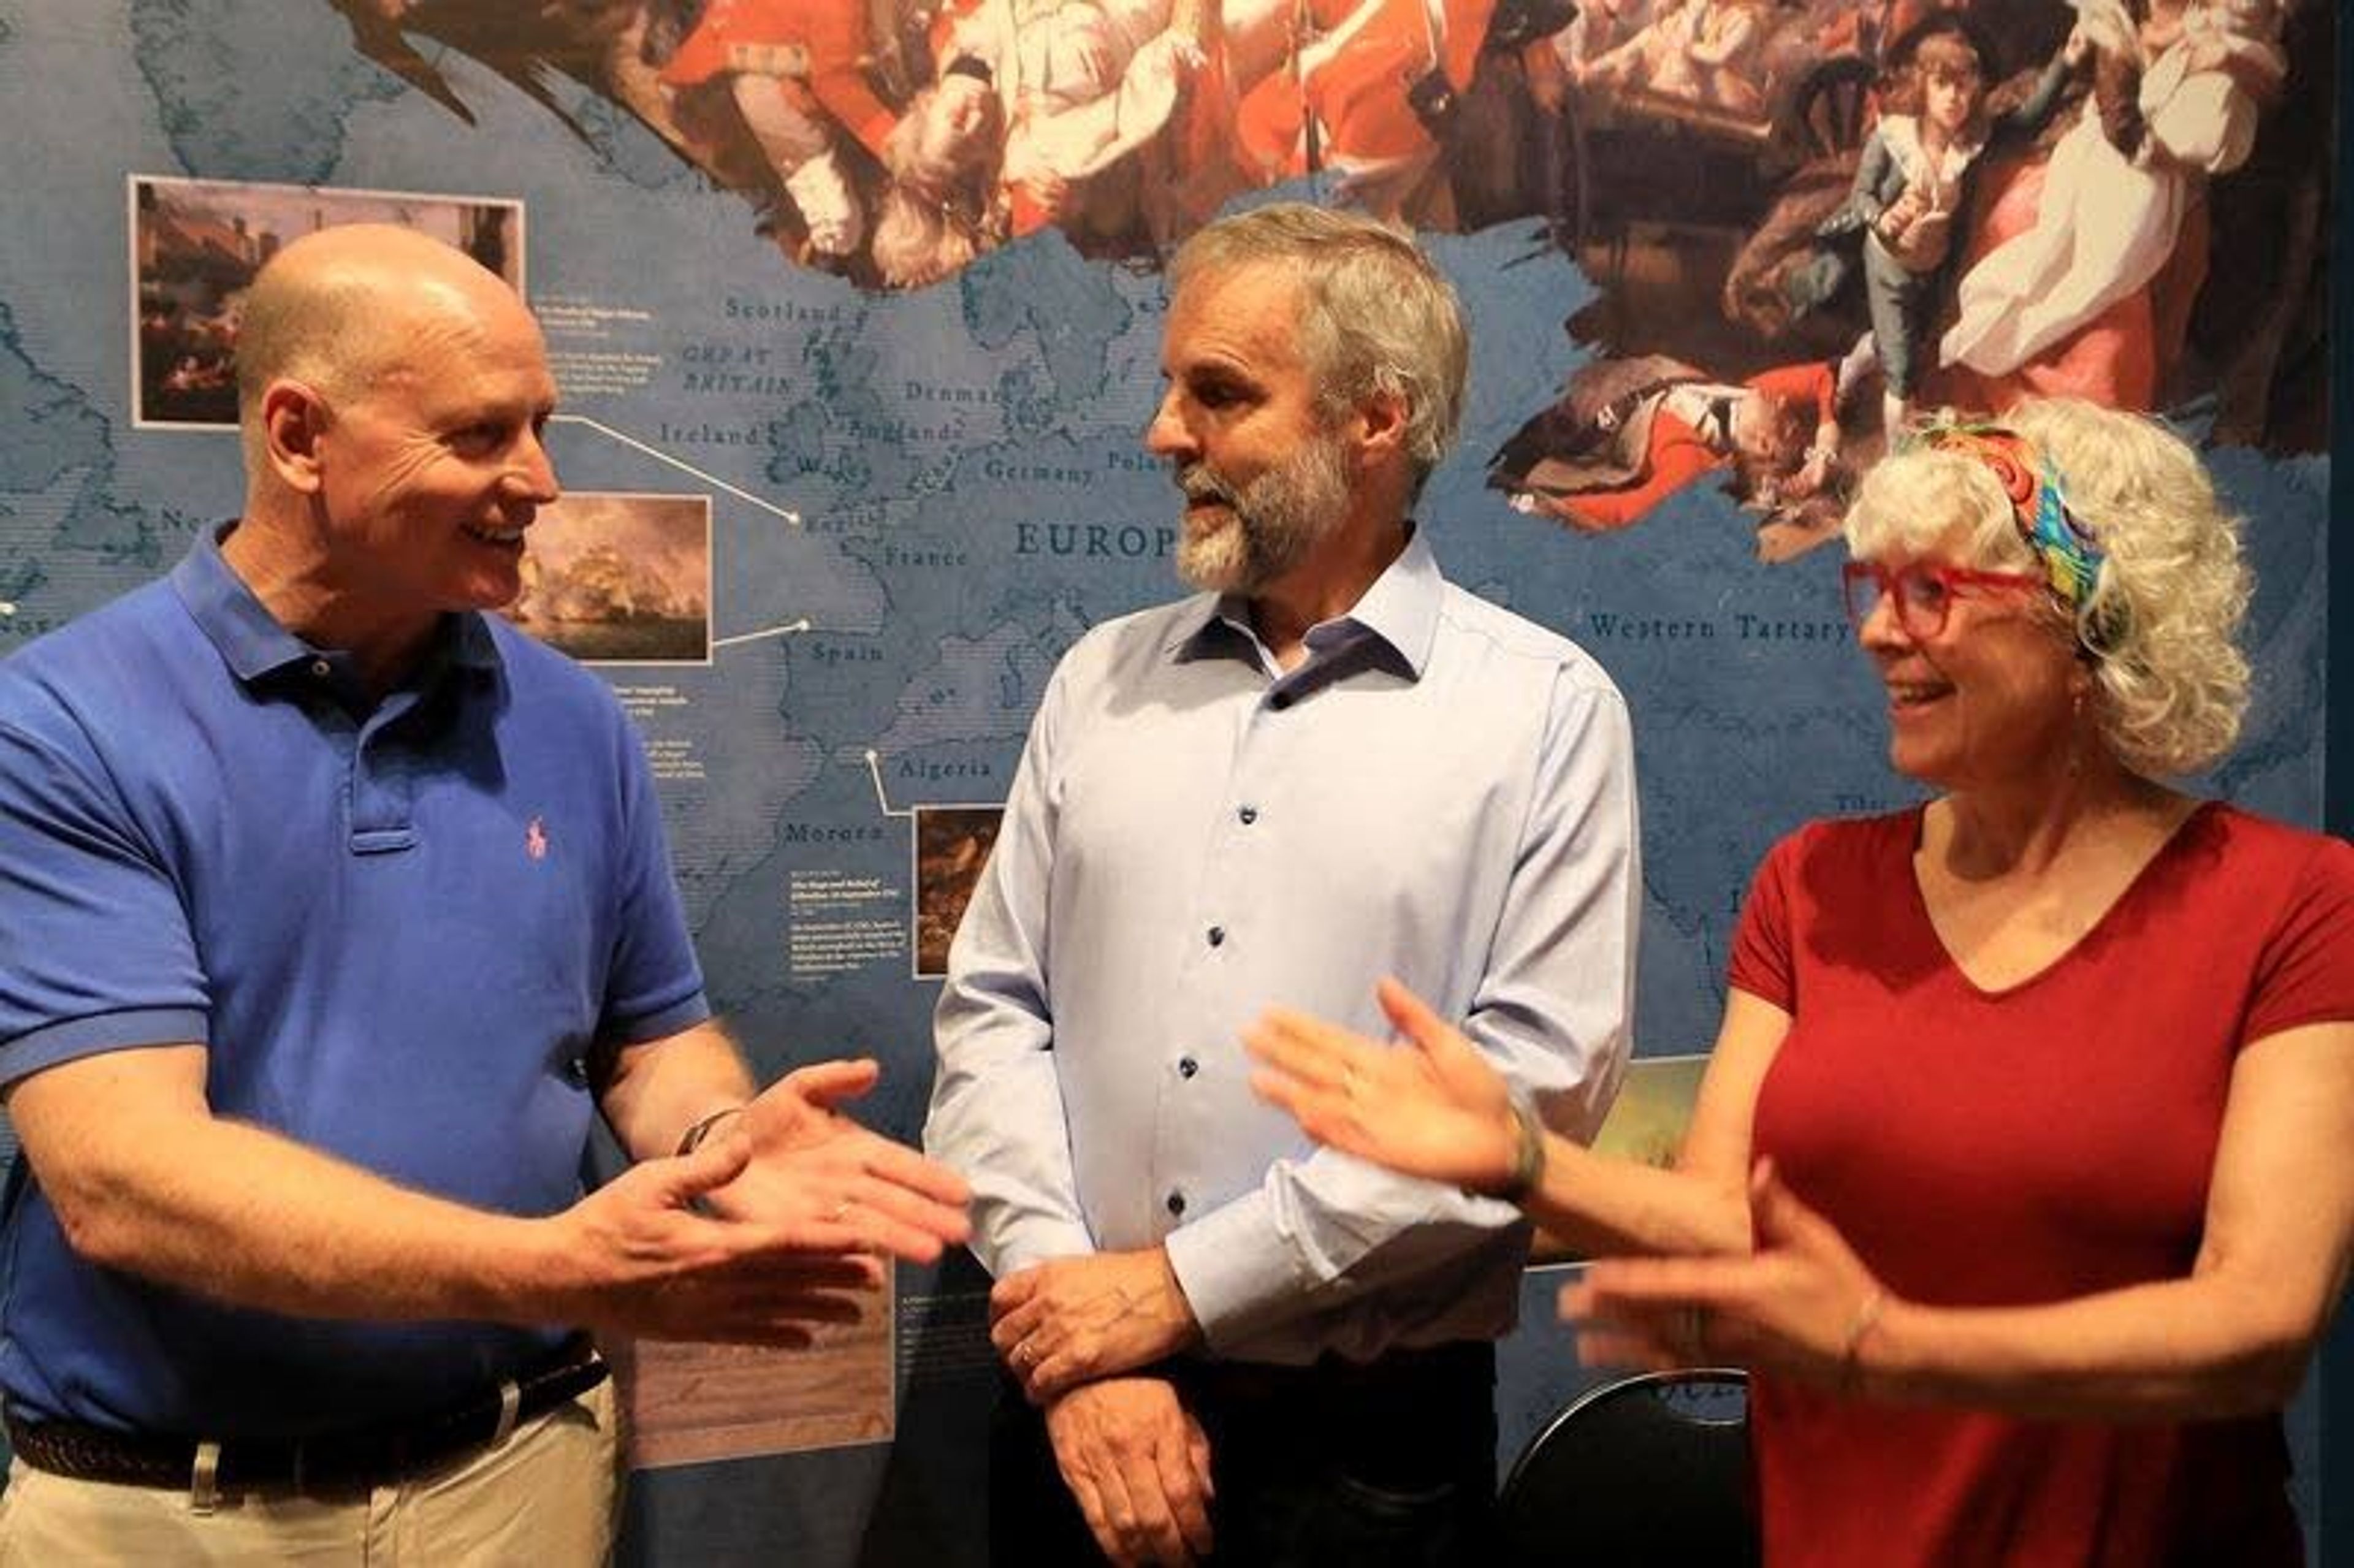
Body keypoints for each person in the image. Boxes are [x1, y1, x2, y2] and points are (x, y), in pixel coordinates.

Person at [0, 225, 970, 1562]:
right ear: (299, 438)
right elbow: (124, 1176)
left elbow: (649, 1037)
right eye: (477, 437)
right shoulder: (64, 728)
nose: (540, 480)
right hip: (174, 1514)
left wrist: (718, 1139)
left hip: (520, 1488)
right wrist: (554, 1267)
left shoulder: (572, 722)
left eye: (541, 426)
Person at [1248, 397, 2354, 1565]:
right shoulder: (1817, 885)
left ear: (2094, 621)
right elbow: (1737, 1220)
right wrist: (1522, 1160)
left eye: (1933, 592)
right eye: (1873, 587)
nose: (1880, 631)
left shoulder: (2288, 900)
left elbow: (2259, 1320)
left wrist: (1885, 1342)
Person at [925, 202, 1638, 1567]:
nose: (1164, 433)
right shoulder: (1101, 679)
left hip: (1362, 1469)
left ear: (1375, 419)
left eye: (1220, 394)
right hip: (1073, 1422)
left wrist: (1177, 1294)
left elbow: (1523, 1099)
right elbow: (995, 1014)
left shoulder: (1545, 712)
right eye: (1170, 386)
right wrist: (1082, 1329)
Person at [1790, 15, 2082, 433]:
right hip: (1889, 265)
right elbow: (1861, 197)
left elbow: (2027, 122)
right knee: (1903, 373)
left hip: (1935, 267)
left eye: (1964, 86)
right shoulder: (1893, 139)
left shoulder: (1970, 142)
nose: (1954, 98)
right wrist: (1884, 217)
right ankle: (1898, 467)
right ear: (1922, 87)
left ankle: (1848, 372)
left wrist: (2066, 62)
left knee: (1906, 344)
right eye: (1942, 85)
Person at [1492, 352, 1840, 533]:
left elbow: (1623, 512)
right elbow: (1822, 377)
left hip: (1575, 422)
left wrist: (1541, 503)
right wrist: (1825, 438)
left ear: (1765, 446)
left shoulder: (1686, 455)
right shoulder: (1756, 395)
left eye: (1789, 423)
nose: (1783, 402)